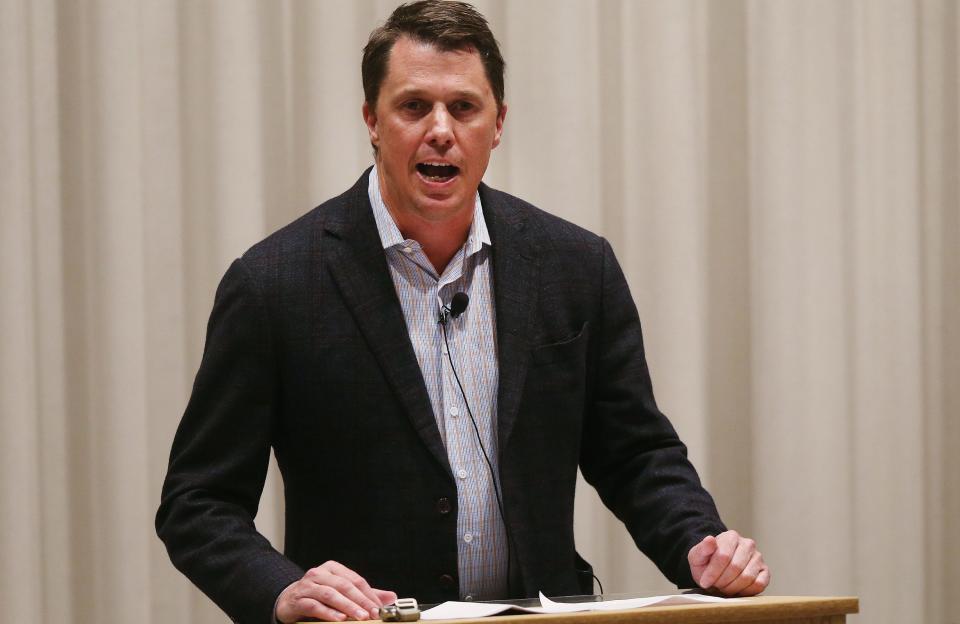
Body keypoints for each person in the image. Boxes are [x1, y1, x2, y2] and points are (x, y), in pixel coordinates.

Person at [156, 2, 770, 623]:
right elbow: (197, 500)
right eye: (414, 106)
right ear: (372, 119)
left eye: (464, 107)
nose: (441, 130)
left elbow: (635, 454)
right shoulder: (275, 285)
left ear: (498, 122)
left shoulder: (576, 266)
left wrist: (701, 543)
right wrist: (279, 590)